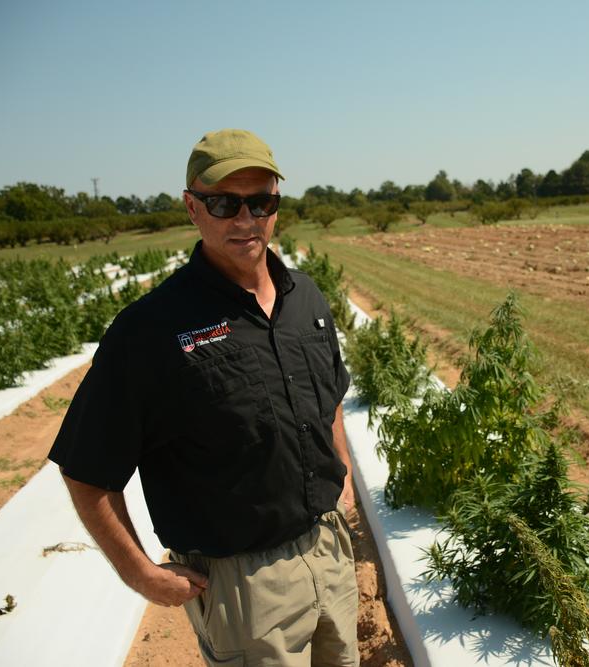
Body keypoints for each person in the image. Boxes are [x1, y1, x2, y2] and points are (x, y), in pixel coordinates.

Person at [48, 128, 359, 666]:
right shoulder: (151, 329)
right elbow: (85, 469)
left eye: (260, 201)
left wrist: (345, 476)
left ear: (276, 207)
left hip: (329, 554)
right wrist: (139, 572)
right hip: (244, 586)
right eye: (224, 203)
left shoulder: (305, 297)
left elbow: (329, 398)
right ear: (193, 208)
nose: (245, 219)